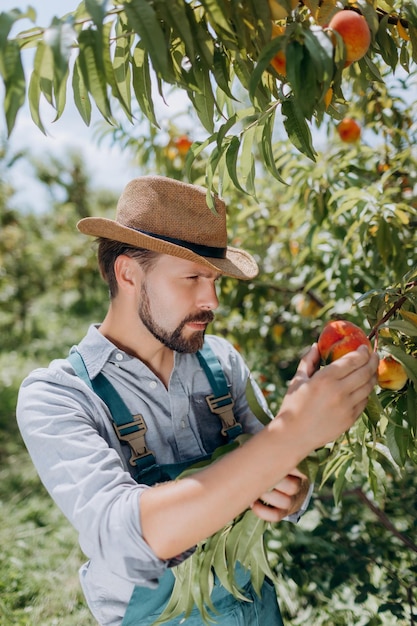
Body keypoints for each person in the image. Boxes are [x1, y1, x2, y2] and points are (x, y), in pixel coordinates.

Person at [16, 176, 378, 626]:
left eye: (213, 279)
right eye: (192, 278)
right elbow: (129, 537)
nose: (212, 300)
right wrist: (295, 433)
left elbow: (284, 466)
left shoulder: (221, 361)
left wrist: (294, 488)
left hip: (253, 608)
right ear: (129, 273)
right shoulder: (59, 396)